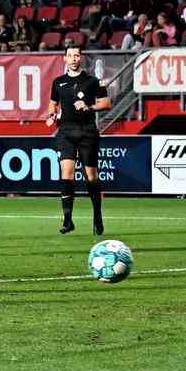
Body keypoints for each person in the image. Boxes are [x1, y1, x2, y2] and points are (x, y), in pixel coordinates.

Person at [45, 46, 111, 235]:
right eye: (70, 55)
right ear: (64, 59)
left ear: (80, 58)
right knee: (67, 172)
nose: (74, 58)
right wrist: (52, 114)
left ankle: (97, 217)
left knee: (91, 176)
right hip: (65, 132)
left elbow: (106, 103)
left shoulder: (92, 81)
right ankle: (67, 220)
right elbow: (53, 103)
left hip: (87, 131)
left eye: (77, 55)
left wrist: (88, 106)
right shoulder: (58, 82)